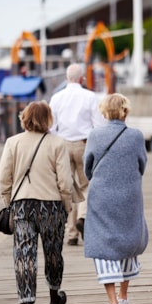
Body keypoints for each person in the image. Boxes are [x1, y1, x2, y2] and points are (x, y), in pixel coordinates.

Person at [0, 101, 74, 304]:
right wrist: (67, 207)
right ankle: (54, 296)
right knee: (53, 252)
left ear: (25, 118)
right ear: (48, 118)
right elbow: (65, 182)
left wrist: (9, 202)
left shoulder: (12, 143)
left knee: (24, 254)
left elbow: (4, 180)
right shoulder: (58, 143)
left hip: (22, 204)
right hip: (51, 205)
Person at [83, 93, 149, 304]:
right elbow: (142, 164)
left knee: (103, 245)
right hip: (130, 195)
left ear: (104, 112)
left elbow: (87, 168)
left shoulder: (95, 135)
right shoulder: (136, 136)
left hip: (102, 196)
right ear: (125, 111)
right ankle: (123, 298)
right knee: (128, 241)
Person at [50, 63, 105, 246]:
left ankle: (71, 233)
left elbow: (51, 126)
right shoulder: (90, 97)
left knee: (69, 189)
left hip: (63, 145)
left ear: (67, 78)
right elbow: (98, 124)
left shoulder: (56, 98)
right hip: (84, 144)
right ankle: (83, 217)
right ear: (82, 78)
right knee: (86, 185)